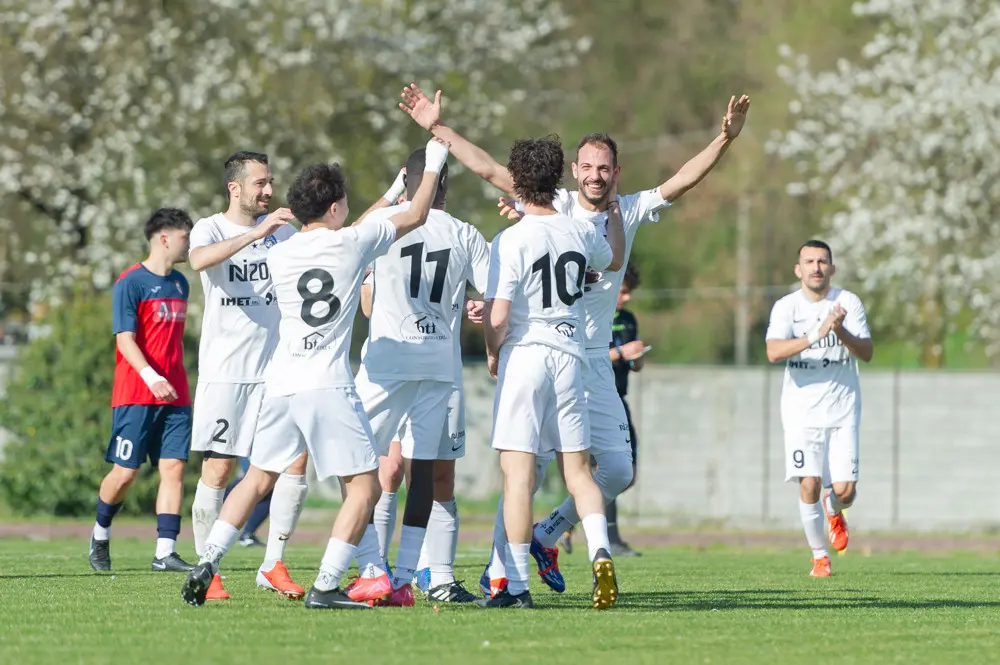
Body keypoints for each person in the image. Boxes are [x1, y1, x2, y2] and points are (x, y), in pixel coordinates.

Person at [398, 83, 750, 596]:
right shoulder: (555, 205)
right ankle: (503, 572)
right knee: (529, 470)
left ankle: (544, 537)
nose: (594, 174)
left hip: (589, 362)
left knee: (616, 470)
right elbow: (489, 169)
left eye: (603, 167)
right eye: (586, 166)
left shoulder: (622, 212)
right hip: (552, 350)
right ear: (573, 171)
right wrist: (437, 128)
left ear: (616, 172)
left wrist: (724, 140)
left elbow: (679, 182)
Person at [180, 138, 451, 609]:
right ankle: (327, 584)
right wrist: (435, 163)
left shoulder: (279, 251)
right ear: (334, 207)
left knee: (257, 477)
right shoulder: (351, 244)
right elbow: (417, 214)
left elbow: (361, 224)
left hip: (280, 382)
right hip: (326, 383)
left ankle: (209, 561)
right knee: (364, 488)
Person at [479, 135, 625, 610]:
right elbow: (614, 259)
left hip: (527, 355)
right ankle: (601, 551)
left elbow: (498, 316)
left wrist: (492, 353)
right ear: (560, 178)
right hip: (572, 357)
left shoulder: (510, 238)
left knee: (518, 477)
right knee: (580, 472)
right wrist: (617, 212)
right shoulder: (579, 231)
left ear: (518, 181)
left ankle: (516, 587)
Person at [347, 145, 490, 607]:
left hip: (389, 364)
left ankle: (376, 568)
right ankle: (403, 575)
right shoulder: (466, 233)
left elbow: (348, 237)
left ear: (405, 183)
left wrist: (391, 195)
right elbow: (498, 292)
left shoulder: (385, 226)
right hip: (438, 366)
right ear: (443, 183)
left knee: (358, 461)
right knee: (423, 469)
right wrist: (480, 311)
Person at [187, 151, 307, 601]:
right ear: (234, 188)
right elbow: (199, 261)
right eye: (260, 183)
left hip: (278, 370)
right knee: (218, 470)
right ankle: (208, 569)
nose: (269, 191)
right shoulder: (211, 228)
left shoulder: (284, 234)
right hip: (227, 371)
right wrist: (257, 233)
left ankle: (272, 563)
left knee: (293, 462)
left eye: (270, 182)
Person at [89, 208, 195, 573]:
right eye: (185, 235)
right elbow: (125, 340)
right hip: (137, 393)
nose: (189, 242)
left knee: (174, 469)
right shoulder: (130, 282)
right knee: (125, 473)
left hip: (176, 394)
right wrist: (152, 377)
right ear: (164, 238)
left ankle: (165, 552)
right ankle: (100, 535)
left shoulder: (182, 283)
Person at [765, 240, 872, 577]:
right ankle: (819, 557)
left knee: (845, 491)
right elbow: (773, 352)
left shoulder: (847, 302)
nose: (816, 267)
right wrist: (816, 334)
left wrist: (839, 330)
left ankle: (834, 508)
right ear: (798, 270)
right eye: (809, 261)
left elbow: (867, 352)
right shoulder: (786, 307)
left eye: (822, 261)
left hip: (842, 409)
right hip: (800, 411)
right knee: (808, 482)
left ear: (832, 269)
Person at [564, 262, 646, 557]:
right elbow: (587, 355)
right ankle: (607, 538)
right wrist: (621, 353)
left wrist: (636, 358)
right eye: (623, 292)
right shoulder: (587, 315)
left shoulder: (627, 318)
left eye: (628, 293)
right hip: (588, 397)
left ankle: (564, 522)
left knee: (626, 473)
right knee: (600, 470)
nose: (626, 298)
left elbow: (634, 363)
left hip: (617, 397)